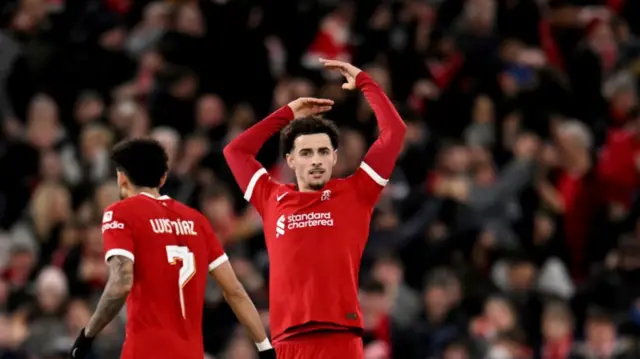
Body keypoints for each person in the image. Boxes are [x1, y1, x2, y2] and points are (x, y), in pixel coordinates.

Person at [223, 59, 407, 358]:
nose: (316, 160)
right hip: (287, 340)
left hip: (341, 338)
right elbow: (235, 151)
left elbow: (394, 132)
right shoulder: (271, 197)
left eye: (323, 152)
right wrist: (288, 113)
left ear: (335, 157)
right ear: (291, 160)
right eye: (306, 153)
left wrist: (365, 83)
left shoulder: (356, 191)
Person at [69, 139, 276, 359]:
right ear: (163, 177)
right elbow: (234, 290)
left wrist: (87, 335)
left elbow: (121, 283)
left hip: (145, 351)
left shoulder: (120, 213)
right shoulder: (198, 221)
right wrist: (265, 347)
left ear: (121, 177)